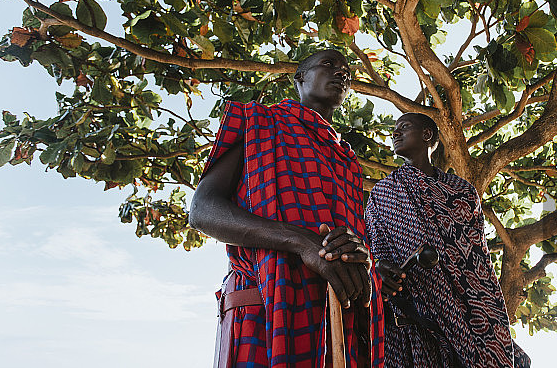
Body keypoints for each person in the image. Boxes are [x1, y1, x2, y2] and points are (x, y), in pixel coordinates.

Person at [189, 49, 384, 368]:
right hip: (264, 310)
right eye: (329, 64)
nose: (341, 73)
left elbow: (351, 239)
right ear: (300, 77)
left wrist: (359, 256)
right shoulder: (259, 124)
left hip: (336, 323)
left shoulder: (348, 161)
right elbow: (202, 211)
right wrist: (303, 242)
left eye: (347, 70)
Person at [365, 113, 531, 368]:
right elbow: (375, 253)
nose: (395, 133)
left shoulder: (463, 190)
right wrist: (381, 273)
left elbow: (479, 256)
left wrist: (483, 305)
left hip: (472, 306)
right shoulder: (383, 193)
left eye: (404, 127)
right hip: (413, 312)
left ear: (427, 135)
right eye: (394, 130)